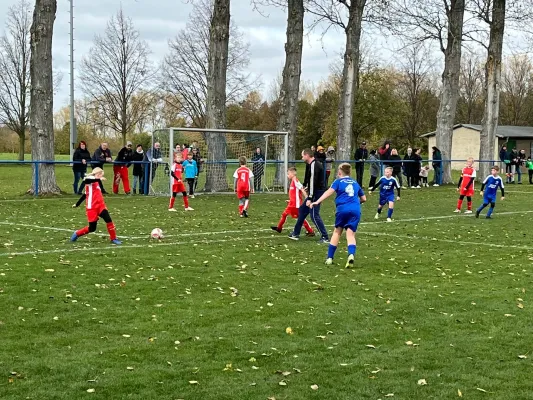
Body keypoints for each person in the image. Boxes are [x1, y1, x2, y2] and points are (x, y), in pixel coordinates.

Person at [310, 163, 366, 268]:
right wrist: (356, 203)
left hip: (342, 209)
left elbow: (328, 192)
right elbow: (364, 199)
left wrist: (317, 201)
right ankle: (351, 255)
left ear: (339, 172)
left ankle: (330, 258)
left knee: (337, 232)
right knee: (350, 234)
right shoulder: (355, 182)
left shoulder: (338, 182)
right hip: (355, 210)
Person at [70, 168, 121, 245]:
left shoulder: (97, 181)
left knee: (108, 220)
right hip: (92, 207)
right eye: (101, 175)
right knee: (92, 228)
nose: (101, 177)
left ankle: (113, 238)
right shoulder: (90, 179)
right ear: (98, 174)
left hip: (100, 205)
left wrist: (99, 180)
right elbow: (86, 184)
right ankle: (77, 233)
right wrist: (77, 204)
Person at [289, 148, 329, 243]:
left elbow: (313, 182)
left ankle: (325, 236)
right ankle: (296, 233)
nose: (302, 157)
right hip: (313, 191)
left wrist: (310, 198)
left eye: (303, 155)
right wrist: (306, 187)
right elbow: (310, 181)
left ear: (307, 155)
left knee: (314, 215)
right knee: (302, 211)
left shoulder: (314, 165)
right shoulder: (311, 164)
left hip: (316, 192)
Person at [271, 167, 314, 236]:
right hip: (292, 204)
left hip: (295, 205)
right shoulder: (293, 181)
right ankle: (279, 228)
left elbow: (302, 189)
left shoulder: (295, 181)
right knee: (284, 214)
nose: (287, 175)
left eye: (288, 174)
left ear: (292, 174)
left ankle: (310, 231)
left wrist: (307, 198)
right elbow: (294, 194)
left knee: (300, 218)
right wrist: (290, 200)